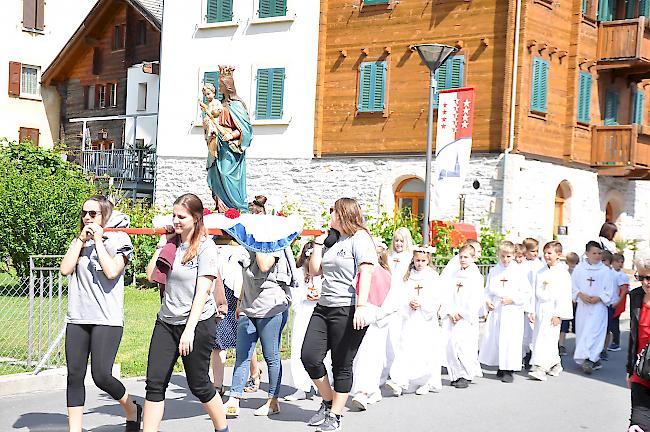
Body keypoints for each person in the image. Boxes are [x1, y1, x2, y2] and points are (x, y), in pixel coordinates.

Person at [144, 193, 228, 432]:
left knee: (199, 384)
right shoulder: (172, 245)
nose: (176, 220)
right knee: (155, 383)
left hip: (197, 324)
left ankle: (222, 429)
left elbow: (203, 292)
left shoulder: (205, 248)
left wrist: (189, 331)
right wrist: (163, 246)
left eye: (181, 216)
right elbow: (152, 275)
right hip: (166, 321)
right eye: (174, 215)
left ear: (196, 218)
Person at [60, 195, 140, 432]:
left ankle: (132, 409)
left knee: (101, 375)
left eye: (92, 214)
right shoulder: (81, 241)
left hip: (107, 319)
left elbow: (112, 271)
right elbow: (65, 269)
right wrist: (80, 241)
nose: (87, 218)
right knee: (74, 375)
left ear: (104, 215)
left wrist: (98, 241)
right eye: (84, 213)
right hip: (78, 317)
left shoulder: (120, 240)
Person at [301, 198, 377, 432]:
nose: (330, 215)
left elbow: (366, 272)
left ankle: (335, 415)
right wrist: (317, 243)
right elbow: (315, 270)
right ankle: (327, 401)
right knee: (309, 356)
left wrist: (362, 306)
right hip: (324, 307)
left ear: (344, 214)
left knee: (341, 364)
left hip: (349, 308)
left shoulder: (360, 239)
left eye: (333, 212)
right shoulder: (333, 240)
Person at [223, 241, 296, 417]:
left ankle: (273, 401)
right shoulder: (247, 246)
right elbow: (245, 278)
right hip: (248, 308)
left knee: (271, 356)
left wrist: (260, 242)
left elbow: (263, 266)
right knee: (242, 355)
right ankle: (234, 398)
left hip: (271, 308)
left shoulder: (273, 245)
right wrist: (240, 303)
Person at [386, 247, 442, 395]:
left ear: (428, 260)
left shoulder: (433, 276)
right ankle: (401, 381)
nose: (420, 263)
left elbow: (437, 297)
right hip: (410, 317)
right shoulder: (408, 275)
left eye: (423, 261)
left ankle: (425, 381)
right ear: (413, 259)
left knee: (424, 349)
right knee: (405, 347)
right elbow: (401, 294)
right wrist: (408, 303)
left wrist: (422, 303)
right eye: (417, 260)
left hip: (425, 319)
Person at [351, 240, 396, 410]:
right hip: (359, 320)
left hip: (376, 322)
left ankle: (365, 391)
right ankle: (367, 390)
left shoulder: (385, 275)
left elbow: (393, 301)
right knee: (359, 357)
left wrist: (375, 316)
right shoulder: (358, 272)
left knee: (371, 357)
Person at [478, 241, 532, 383]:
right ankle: (500, 366)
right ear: (498, 255)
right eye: (502, 256)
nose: (505, 259)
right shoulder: (494, 270)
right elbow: (488, 289)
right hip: (497, 308)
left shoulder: (519, 272)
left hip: (512, 310)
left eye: (508, 256)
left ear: (514, 255)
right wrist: (487, 300)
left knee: (510, 339)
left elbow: (526, 292)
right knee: (496, 338)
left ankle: (509, 369)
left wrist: (513, 299)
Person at [285, 241, 328, 402]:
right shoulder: (297, 273)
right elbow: (293, 294)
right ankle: (301, 386)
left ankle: (321, 383)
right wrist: (305, 295)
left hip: (320, 313)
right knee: (298, 349)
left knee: (320, 351)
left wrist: (320, 297)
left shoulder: (324, 273)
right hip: (303, 313)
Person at [206, 65, 253, 212]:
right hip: (218, 144)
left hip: (231, 147)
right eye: (219, 86)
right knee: (216, 175)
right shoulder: (220, 104)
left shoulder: (237, 105)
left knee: (227, 174)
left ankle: (236, 207)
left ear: (229, 87)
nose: (219, 89)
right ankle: (221, 206)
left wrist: (231, 135)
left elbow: (246, 130)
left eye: (221, 86)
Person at [528, 241, 573, 381]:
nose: (546, 256)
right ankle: (555, 364)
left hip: (553, 309)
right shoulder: (540, 272)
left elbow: (564, 295)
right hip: (540, 308)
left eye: (549, 253)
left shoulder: (562, 274)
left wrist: (558, 314)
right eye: (545, 253)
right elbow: (534, 292)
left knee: (548, 338)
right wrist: (532, 310)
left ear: (558, 255)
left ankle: (541, 367)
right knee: (539, 337)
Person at [441, 244, 484, 389]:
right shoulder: (454, 275)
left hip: (464, 318)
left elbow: (475, 299)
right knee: (450, 346)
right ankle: (455, 374)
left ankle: (466, 375)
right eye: (461, 257)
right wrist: (450, 311)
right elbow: (446, 293)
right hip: (452, 316)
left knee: (463, 346)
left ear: (473, 258)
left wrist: (462, 313)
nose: (463, 260)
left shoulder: (476, 277)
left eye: (466, 257)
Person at [572, 241, 613, 374]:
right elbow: (573, 286)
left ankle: (591, 358)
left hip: (598, 307)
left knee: (596, 332)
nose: (597, 256)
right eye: (594, 253)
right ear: (587, 253)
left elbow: (609, 290)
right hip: (583, 306)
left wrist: (600, 297)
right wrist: (579, 294)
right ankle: (585, 357)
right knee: (583, 331)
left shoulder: (606, 271)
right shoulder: (579, 269)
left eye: (599, 253)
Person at [626, 248, 650, 432]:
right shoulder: (636, 296)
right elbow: (633, 337)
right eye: (641, 277)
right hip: (641, 373)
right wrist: (629, 369)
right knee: (638, 426)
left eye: (649, 278)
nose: (645, 283)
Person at [521, 238, 545, 370]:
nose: (535, 254)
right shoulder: (521, 264)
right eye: (532, 251)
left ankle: (531, 353)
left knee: (532, 329)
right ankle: (523, 353)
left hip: (535, 300)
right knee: (523, 329)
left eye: (537, 251)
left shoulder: (539, 265)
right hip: (523, 300)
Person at [559, 252, 580, 355]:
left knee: (577, 325)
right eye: (570, 263)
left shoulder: (579, 273)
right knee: (564, 324)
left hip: (576, 302)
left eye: (574, 263)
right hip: (566, 301)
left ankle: (578, 346)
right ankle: (561, 344)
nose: (572, 265)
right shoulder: (564, 272)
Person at [608, 253, 629, 352]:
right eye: (617, 261)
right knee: (611, 322)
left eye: (621, 262)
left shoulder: (622, 275)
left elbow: (625, 289)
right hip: (611, 300)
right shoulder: (610, 272)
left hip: (618, 300)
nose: (620, 264)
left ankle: (616, 342)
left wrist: (618, 301)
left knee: (614, 323)